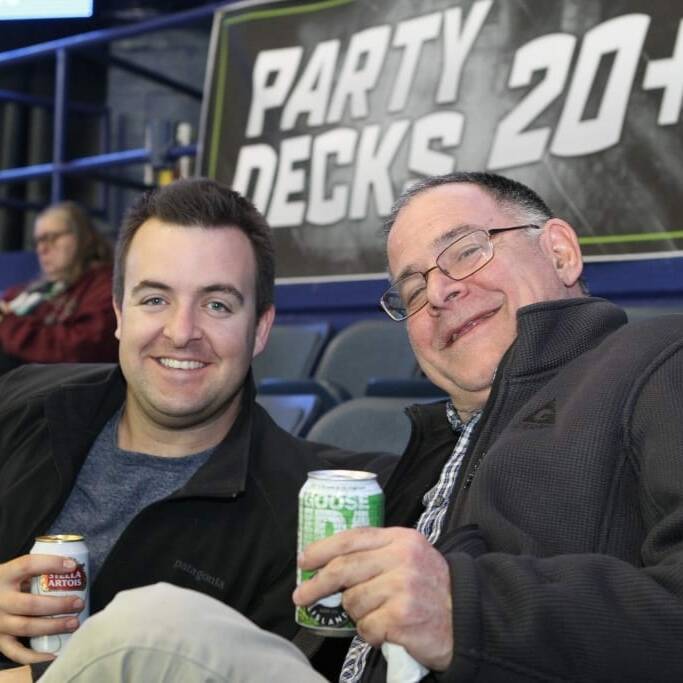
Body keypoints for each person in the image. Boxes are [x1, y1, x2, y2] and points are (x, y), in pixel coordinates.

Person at [9, 170, 683, 683]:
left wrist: (465, 606)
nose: (439, 291)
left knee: (147, 627)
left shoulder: (655, 363)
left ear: (561, 252)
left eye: (467, 251)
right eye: (412, 287)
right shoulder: (430, 458)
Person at [0, 178, 388, 682]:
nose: (182, 332)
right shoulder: (23, 403)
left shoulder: (302, 522)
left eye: (217, 304)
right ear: (119, 314)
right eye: (155, 299)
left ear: (261, 330)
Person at [0, 201, 118, 373]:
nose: (42, 248)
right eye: (38, 241)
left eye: (51, 237)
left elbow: (80, 350)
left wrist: (8, 323)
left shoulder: (105, 286)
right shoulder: (35, 289)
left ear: (83, 237)